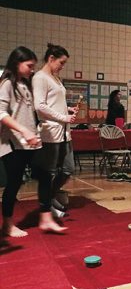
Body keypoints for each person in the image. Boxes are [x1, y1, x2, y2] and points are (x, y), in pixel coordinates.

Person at [32, 43, 78, 231]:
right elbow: (40, 106)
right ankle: (46, 204)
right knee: (49, 171)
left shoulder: (55, 78)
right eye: (61, 62)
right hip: (50, 132)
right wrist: (64, 116)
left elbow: (54, 102)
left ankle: (50, 197)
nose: (62, 66)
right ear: (51, 58)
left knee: (68, 168)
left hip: (64, 131)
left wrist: (67, 109)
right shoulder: (40, 77)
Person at [0, 47, 42, 237]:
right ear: (17, 62)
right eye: (29, 66)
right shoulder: (7, 84)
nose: (32, 70)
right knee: (13, 182)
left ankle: (48, 209)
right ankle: (7, 224)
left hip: (27, 142)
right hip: (12, 143)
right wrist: (23, 130)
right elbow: (1, 113)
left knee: (42, 171)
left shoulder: (25, 85)